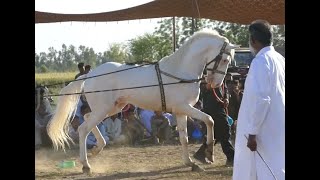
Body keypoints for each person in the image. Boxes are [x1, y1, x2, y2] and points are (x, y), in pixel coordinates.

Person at [232, 20, 285, 180]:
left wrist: (253, 133)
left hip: (262, 129)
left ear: (253, 40)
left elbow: (261, 98)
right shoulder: (279, 59)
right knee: (276, 167)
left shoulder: (260, 61)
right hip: (277, 125)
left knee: (264, 170)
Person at [196, 82, 235, 166]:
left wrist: (226, 99)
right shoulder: (208, 77)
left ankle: (201, 154)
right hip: (213, 110)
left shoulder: (221, 77)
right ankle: (231, 157)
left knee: (215, 134)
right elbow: (201, 90)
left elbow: (225, 90)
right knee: (225, 130)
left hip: (220, 108)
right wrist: (206, 88)